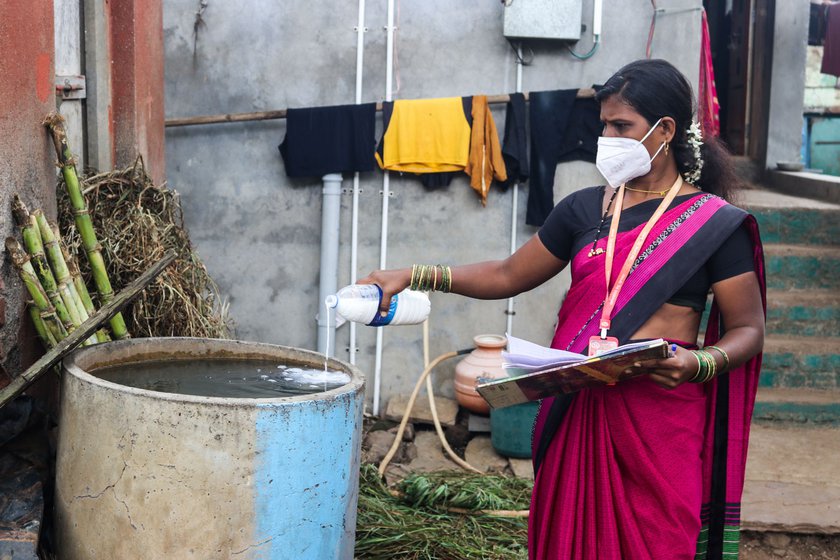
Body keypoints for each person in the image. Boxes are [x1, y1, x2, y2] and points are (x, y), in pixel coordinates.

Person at [359, 59, 765, 560]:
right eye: (604, 126)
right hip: (578, 406)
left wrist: (700, 363)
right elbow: (509, 274)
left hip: (657, 418)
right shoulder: (583, 209)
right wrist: (415, 274)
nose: (608, 138)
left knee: (657, 543)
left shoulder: (713, 226)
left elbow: (748, 329)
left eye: (622, 127)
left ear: (665, 131)